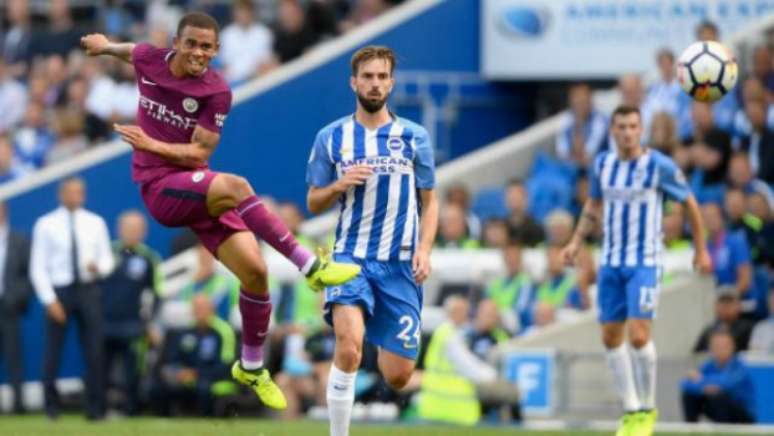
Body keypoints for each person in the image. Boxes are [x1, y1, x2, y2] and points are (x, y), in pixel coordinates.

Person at [80, 11, 360, 409]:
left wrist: (150, 143)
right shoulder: (149, 58)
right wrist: (105, 46)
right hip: (160, 189)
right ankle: (311, 269)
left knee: (256, 273)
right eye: (192, 43)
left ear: (216, 50)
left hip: (195, 187)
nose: (198, 52)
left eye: (207, 47)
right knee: (239, 186)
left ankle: (250, 365)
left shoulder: (216, 91)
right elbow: (132, 52)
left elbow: (199, 152)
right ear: (175, 43)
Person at [305, 45, 439, 436]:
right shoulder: (332, 137)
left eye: (382, 77)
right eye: (368, 76)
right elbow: (313, 201)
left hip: (399, 266)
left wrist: (425, 249)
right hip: (350, 259)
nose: (375, 83)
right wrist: (339, 185)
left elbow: (429, 202)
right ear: (354, 82)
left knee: (398, 375)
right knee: (348, 347)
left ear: (391, 83)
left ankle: (385, 338)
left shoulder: (414, 138)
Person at [561, 105, 712, 436]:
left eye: (632, 126)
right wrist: (575, 242)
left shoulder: (657, 166)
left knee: (640, 335)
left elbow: (690, 203)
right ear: (613, 131)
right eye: (621, 127)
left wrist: (700, 250)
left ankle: (646, 408)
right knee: (610, 337)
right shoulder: (603, 164)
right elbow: (593, 205)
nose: (627, 132)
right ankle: (630, 410)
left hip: (644, 261)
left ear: (640, 130)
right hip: (611, 261)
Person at [30, 177, 115, 420]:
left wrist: (97, 267)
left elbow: (108, 261)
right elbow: (38, 267)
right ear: (61, 194)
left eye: (80, 192)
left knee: (94, 350)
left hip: (88, 290)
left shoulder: (95, 223)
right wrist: (49, 300)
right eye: (71, 192)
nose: (76, 196)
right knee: (52, 353)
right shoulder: (45, 224)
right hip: (60, 291)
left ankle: (96, 409)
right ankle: (51, 408)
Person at [417, 296, 520, 425]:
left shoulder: (502, 337)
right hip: (454, 405)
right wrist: (492, 376)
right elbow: (467, 365)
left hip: (461, 402)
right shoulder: (455, 335)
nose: (464, 315)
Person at [101, 210, 162, 416]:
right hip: (104, 323)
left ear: (143, 232)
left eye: (136, 229)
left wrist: (150, 323)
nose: (132, 232)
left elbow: (157, 293)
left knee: (132, 372)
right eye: (128, 228)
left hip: (134, 325)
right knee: (101, 369)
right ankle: (100, 409)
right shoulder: (106, 253)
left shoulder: (149, 258)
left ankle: (131, 411)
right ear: (119, 229)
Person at [149, 294, 236, 416]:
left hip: (211, 378)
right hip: (187, 378)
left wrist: (196, 373)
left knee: (204, 388)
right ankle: (165, 423)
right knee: (156, 387)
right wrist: (179, 371)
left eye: (203, 307)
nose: (199, 311)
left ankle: (208, 423)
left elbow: (227, 366)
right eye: (196, 307)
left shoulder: (223, 331)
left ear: (212, 309)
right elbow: (174, 358)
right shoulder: (186, 332)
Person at [681, 328, 755, 424]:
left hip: (742, 415)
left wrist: (701, 380)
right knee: (689, 395)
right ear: (710, 348)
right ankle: (691, 430)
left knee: (718, 397)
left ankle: (723, 430)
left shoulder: (740, 366)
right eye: (716, 346)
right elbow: (686, 384)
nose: (720, 350)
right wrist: (704, 387)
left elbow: (727, 383)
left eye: (724, 346)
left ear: (733, 347)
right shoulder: (709, 365)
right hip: (717, 409)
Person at [0, 203, 32, 414]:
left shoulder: (20, 240)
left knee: (14, 356)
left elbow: (30, 275)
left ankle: (18, 405)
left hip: (8, 306)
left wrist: (15, 298)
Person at [219, 0, 273, 84]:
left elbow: (266, 62)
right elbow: (224, 65)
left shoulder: (264, 33)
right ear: (234, 14)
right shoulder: (226, 35)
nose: (243, 15)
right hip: (233, 81)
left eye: (245, 11)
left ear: (252, 13)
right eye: (240, 12)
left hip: (257, 79)